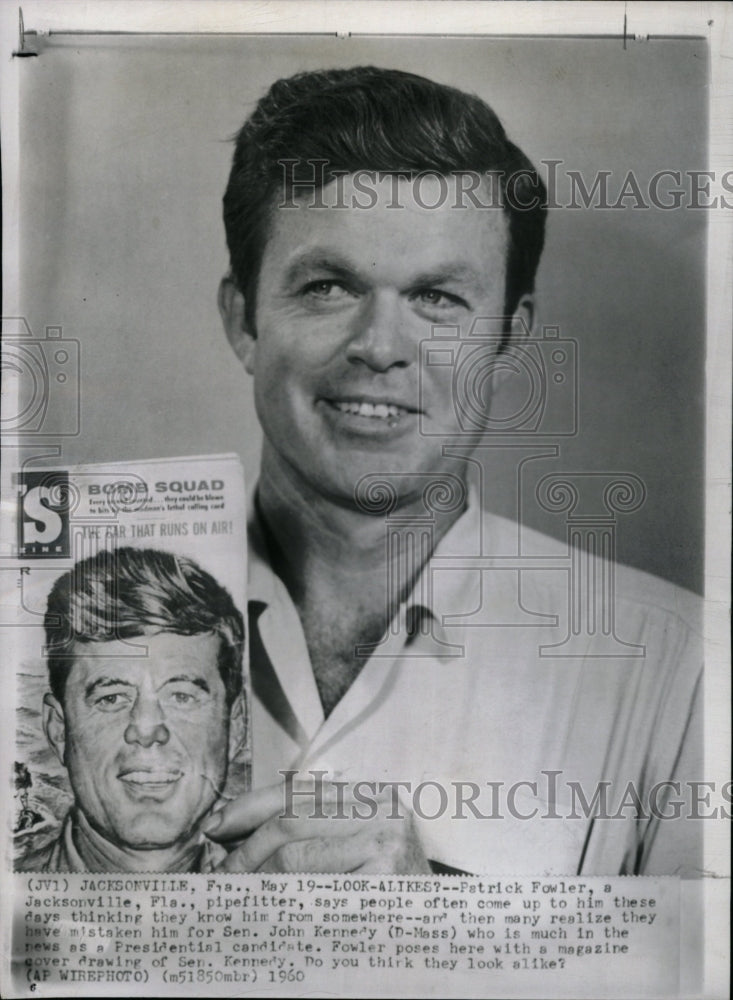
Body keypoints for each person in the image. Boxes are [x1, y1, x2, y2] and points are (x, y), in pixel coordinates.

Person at [209, 66, 703, 875]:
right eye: (328, 286)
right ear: (243, 320)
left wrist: (433, 930)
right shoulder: (41, 620)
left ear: (508, 336)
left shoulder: (685, 673)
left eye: (437, 298)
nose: (379, 345)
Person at [18, 546, 245, 873]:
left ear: (236, 726)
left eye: (181, 695)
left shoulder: (289, 880)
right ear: (58, 730)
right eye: (111, 698)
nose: (147, 728)